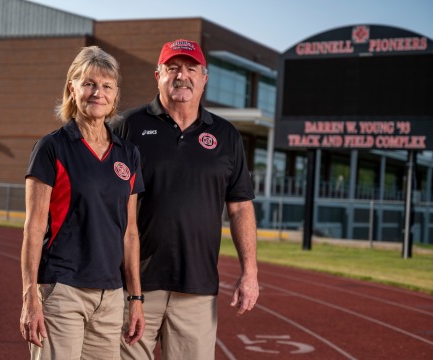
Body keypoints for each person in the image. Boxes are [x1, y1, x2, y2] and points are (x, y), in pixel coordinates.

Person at [114, 39, 259, 360]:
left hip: (197, 287)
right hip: (134, 286)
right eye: (173, 68)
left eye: (191, 68)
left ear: (204, 78)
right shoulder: (129, 127)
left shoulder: (226, 136)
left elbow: (240, 208)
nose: (182, 76)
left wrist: (250, 272)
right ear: (158, 75)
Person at [20, 46, 145, 360]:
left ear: (115, 96)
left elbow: (129, 233)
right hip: (63, 290)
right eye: (88, 83)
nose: (97, 93)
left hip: (111, 295)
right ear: (72, 89)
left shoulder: (127, 154)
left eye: (106, 86)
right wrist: (30, 297)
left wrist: (136, 298)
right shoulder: (52, 147)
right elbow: (34, 228)